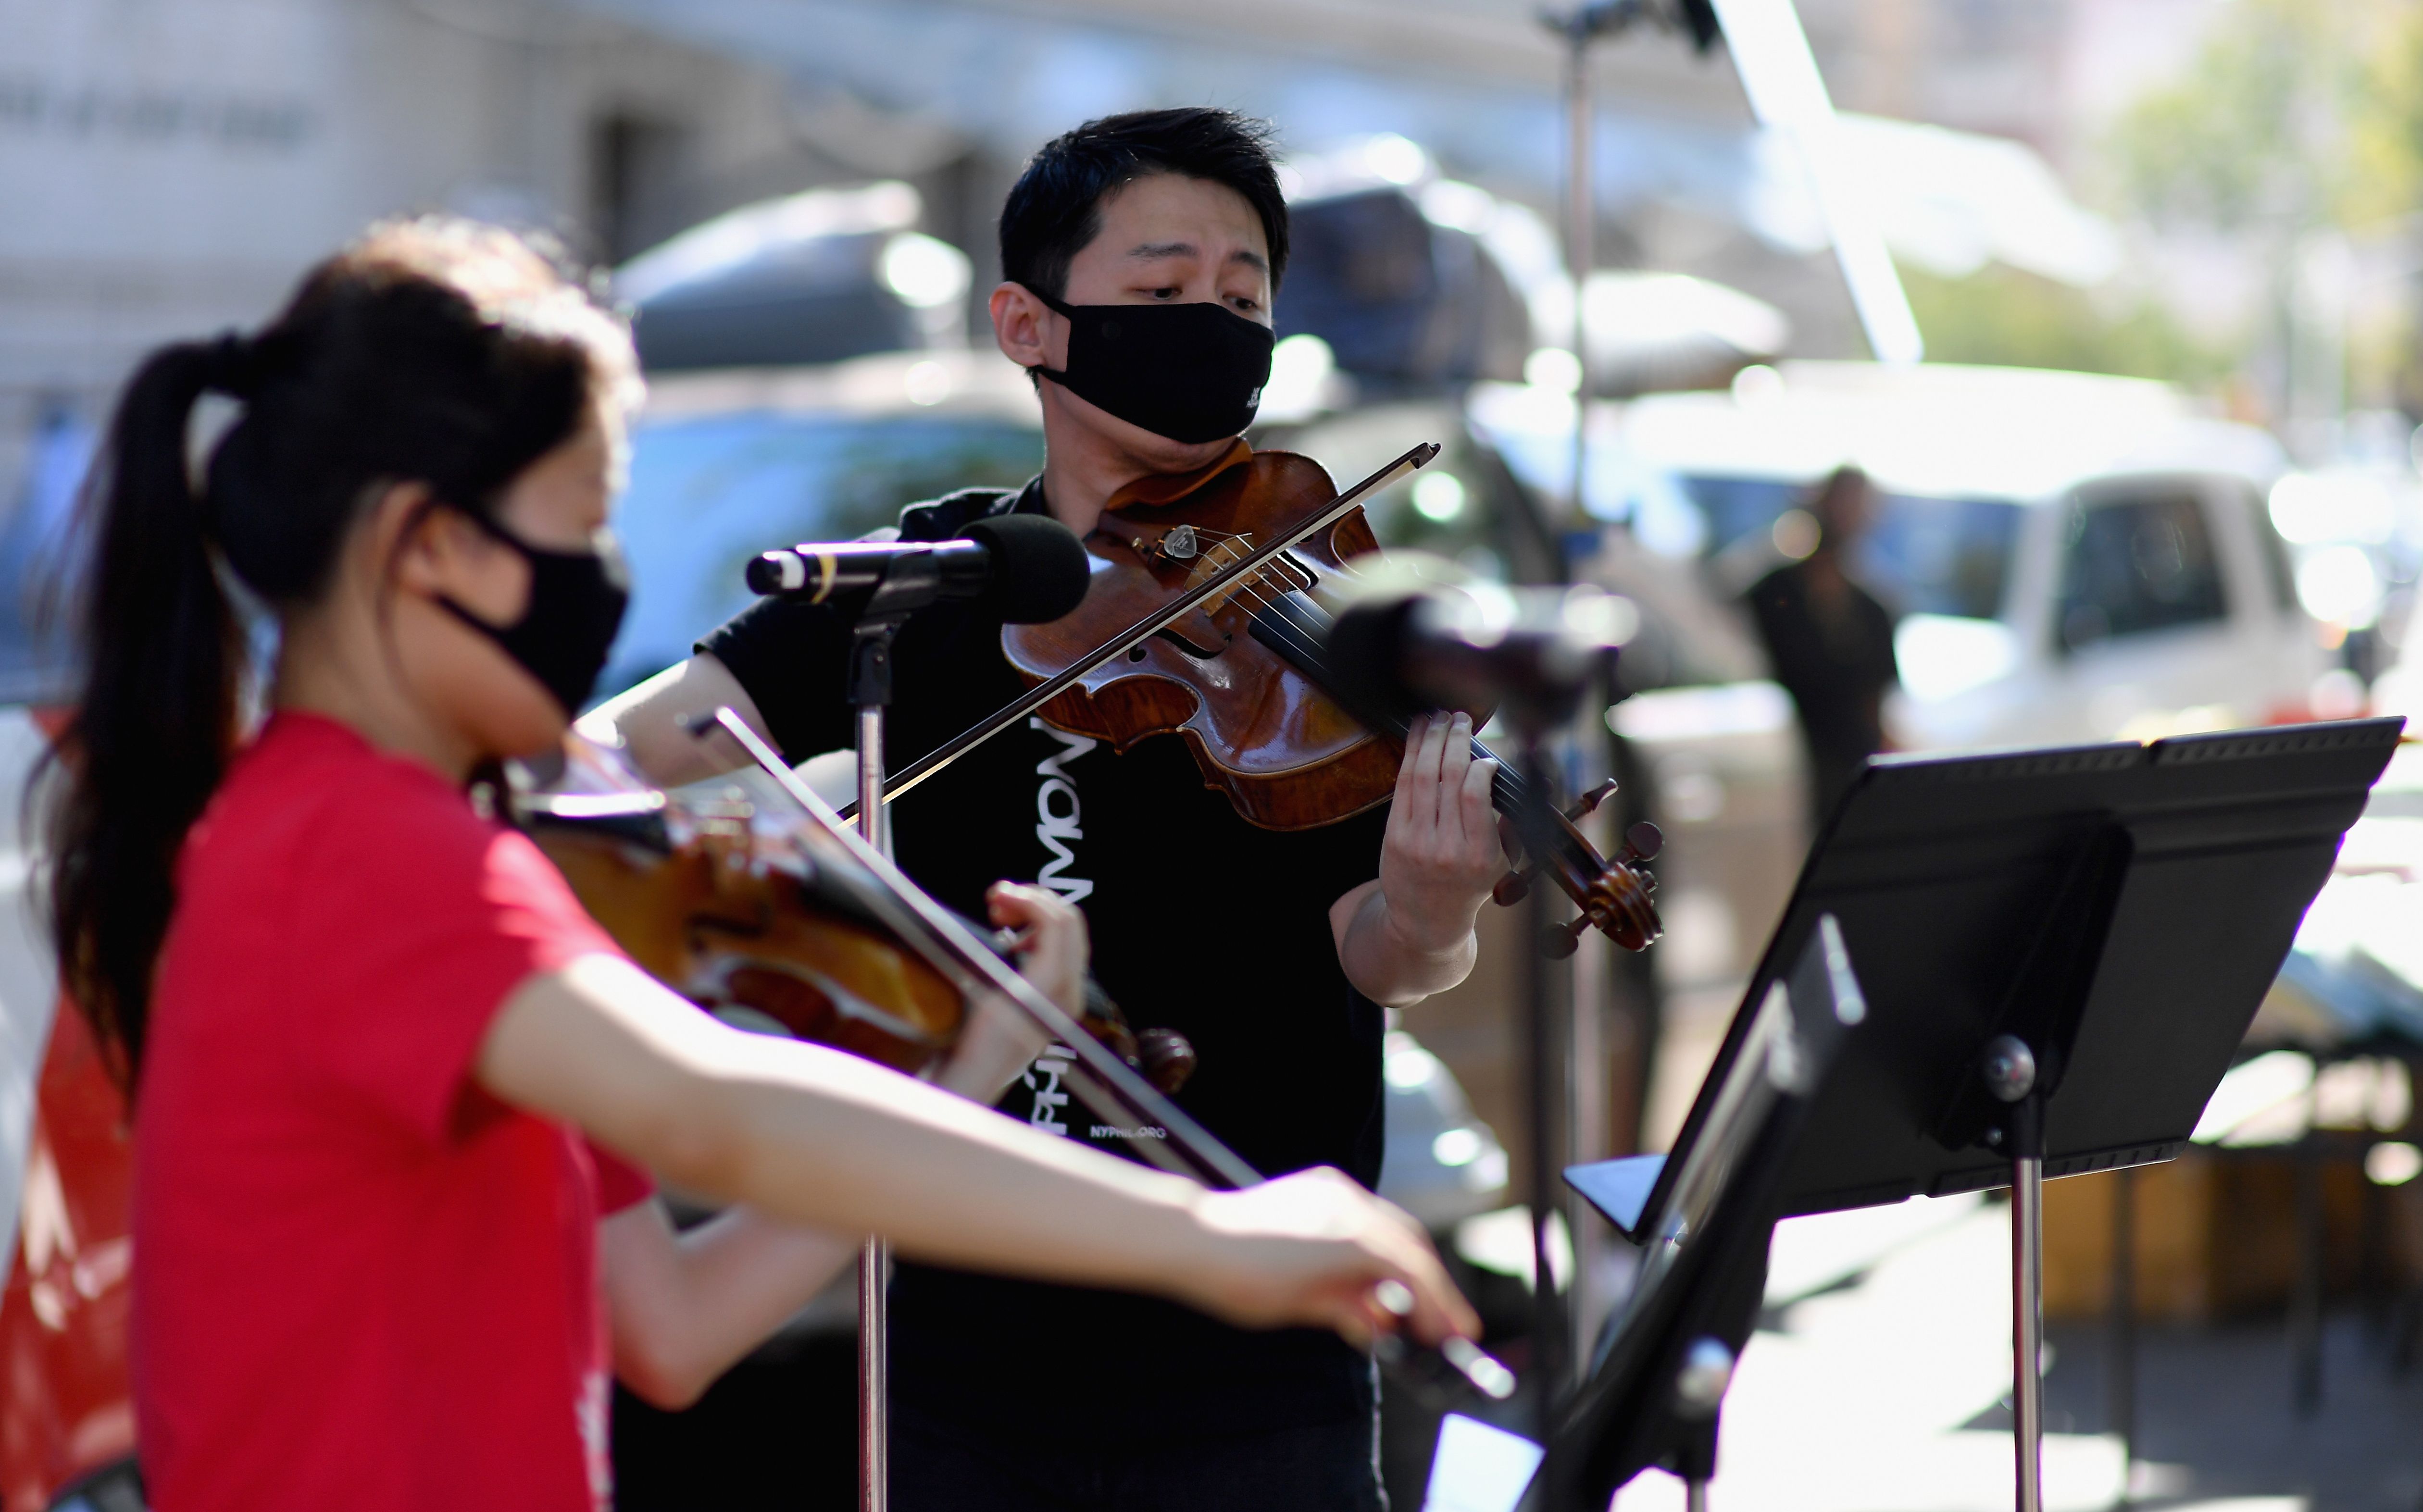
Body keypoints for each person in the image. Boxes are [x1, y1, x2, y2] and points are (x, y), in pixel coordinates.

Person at [41, 215, 1475, 1512]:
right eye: (583, 521)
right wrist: (1208, 1236)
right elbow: (715, 1108)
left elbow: (668, 1325)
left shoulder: (409, 846)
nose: (606, 575)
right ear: (428, 548)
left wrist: (946, 1076)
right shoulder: (360, 849)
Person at [595, 108, 1508, 1512]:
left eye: (1242, 292)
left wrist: (1437, 902)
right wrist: (757, 873)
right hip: (959, 1336)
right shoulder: (938, 581)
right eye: (1160, 290)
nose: (1209, 320)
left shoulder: (1312, 604)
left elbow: (1384, 949)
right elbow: (624, 751)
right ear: (1030, 323)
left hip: (1254, 1351)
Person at [1743, 465, 1901, 818]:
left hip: (1847, 764)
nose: (1848, 513)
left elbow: (1876, 699)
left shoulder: (1872, 607)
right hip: (1783, 754)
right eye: (1841, 500)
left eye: (1858, 504)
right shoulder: (1773, 592)